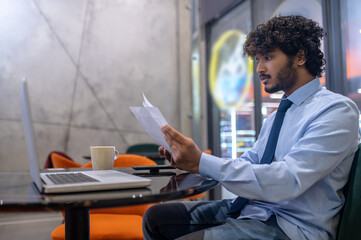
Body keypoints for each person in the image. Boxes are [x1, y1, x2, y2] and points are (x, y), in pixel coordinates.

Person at [143, 15, 360, 240]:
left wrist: (202, 162)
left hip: (292, 227)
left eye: (267, 57)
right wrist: (194, 163)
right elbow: (251, 162)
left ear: (300, 57)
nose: (259, 69)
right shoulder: (277, 117)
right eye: (257, 59)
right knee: (155, 218)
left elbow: (288, 180)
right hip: (255, 210)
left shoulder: (336, 110)